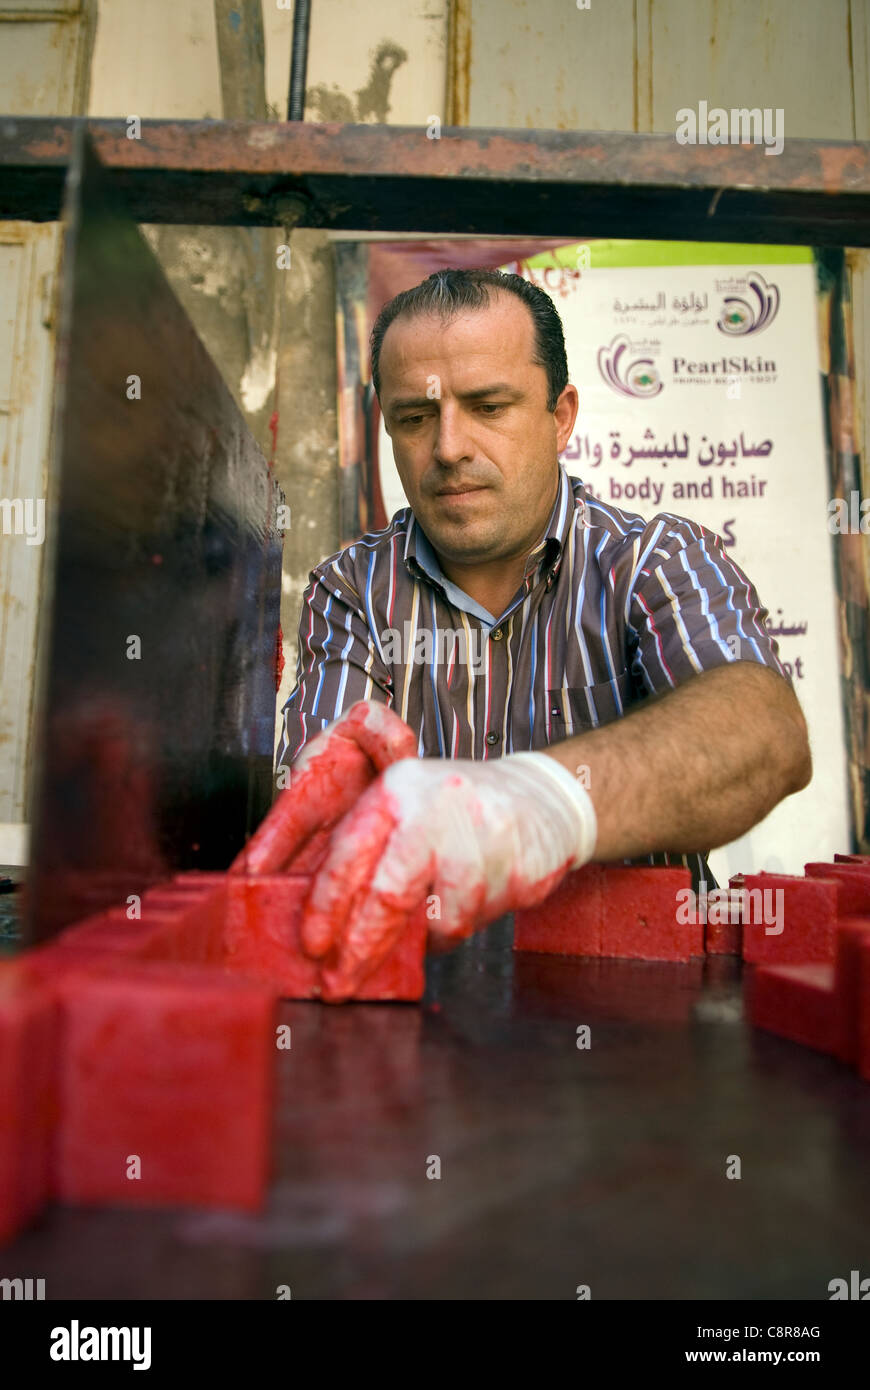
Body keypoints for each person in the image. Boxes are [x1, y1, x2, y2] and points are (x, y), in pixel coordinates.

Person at [265, 268, 811, 1000]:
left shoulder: (653, 563)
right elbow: (328, 823)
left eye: (489, 406)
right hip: (423, 1008)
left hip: (641, 1012)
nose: (450, 447)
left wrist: (537, 802)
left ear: (561, 416)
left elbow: (764, 738)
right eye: (415, 419)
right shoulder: (352, 592)